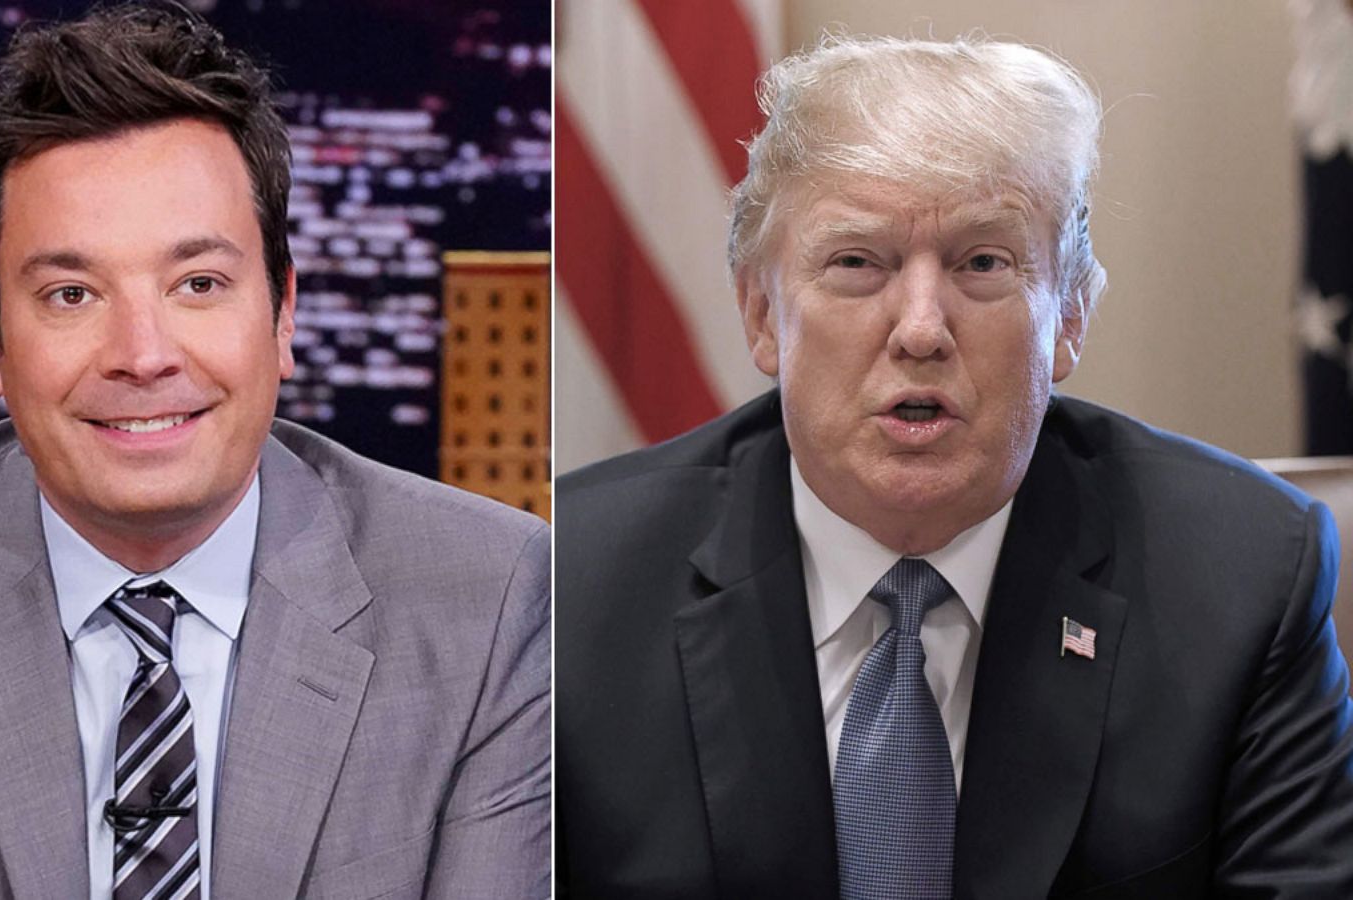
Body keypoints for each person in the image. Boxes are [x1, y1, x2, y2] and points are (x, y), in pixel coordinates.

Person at [0, 6, 548, 898]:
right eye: (70, 294)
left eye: (198, 284)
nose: (143, 353)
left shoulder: (493, 601)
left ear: (283, 313)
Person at [556, 35, 1353, 898]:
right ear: (760, 313)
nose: (922, 329)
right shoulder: (573, 583)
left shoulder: (1242, 576)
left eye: (983, 263)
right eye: (859, 263)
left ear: (1071, 318)